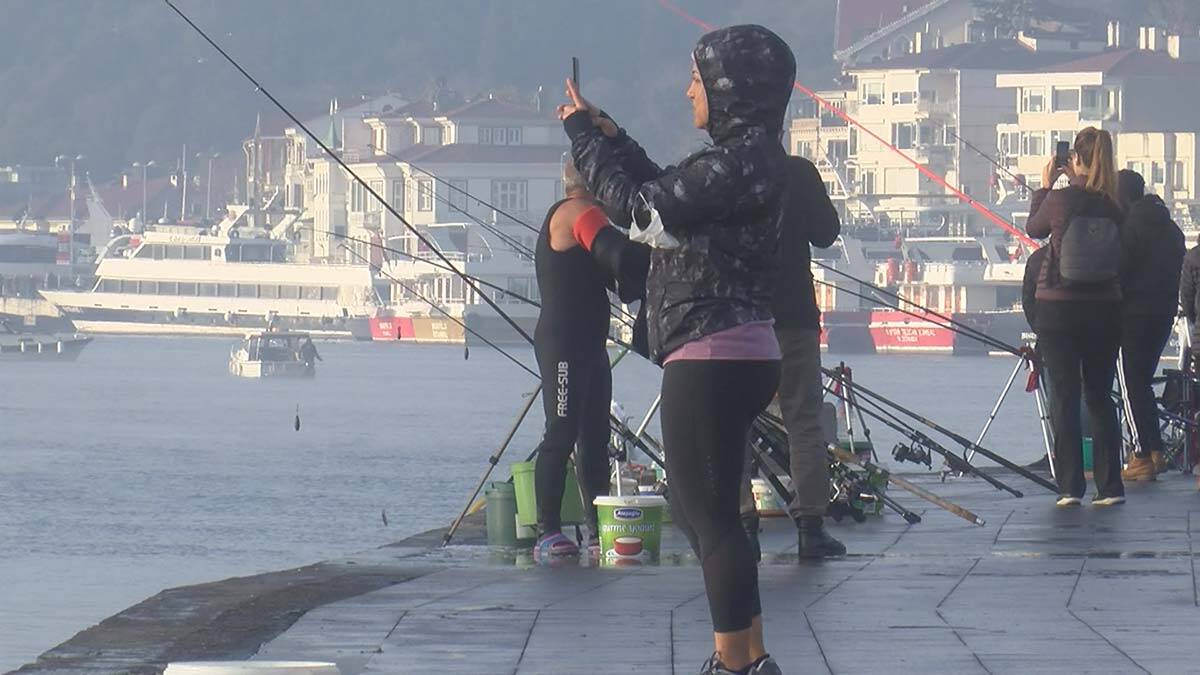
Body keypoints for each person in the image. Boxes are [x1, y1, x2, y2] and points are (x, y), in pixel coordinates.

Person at [561, 24, 795, 675]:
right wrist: (616, 139)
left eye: (697, 78)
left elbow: (642, 211)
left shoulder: (736, 162)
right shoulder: (749, 159)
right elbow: (674, 192)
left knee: (706, 517)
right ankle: (749, 653)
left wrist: (583, 141)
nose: (687, 89)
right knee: (715, 514)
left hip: (709, 353)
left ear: (728, 89)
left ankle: (734, 661)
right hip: (742, 348)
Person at [738, 155, 845, 561]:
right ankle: (810, 528)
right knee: (803, 422)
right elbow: (826, 232)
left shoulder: (724, 168)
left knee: (736, 423)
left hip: (740, 316)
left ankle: (743, 525)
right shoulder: (797, 172)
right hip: (794, 314)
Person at [1025, 127, 1126, 507]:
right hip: (1105, 309)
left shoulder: (1060, 199)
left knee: (1064, 397)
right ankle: (1110, 487)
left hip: (1059, 309)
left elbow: (1033, 228)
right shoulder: (1115, 205)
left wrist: (1046, 185)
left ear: (1075, 160)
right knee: (1100, 396)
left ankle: (1069, 487)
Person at [527, 157, 614, 562]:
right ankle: (547, 529)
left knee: (596, 437)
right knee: (560, 431)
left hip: (592, 343)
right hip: (562, 344)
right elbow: (616, 255)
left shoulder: (591, 216)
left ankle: (596, 530)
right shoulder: (575, 213)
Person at [1116, 170, 1184, 481]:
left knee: (1133, 384)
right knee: (1142, 382)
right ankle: (1155, 451)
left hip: (1132, 314)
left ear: (1123, 197)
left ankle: (1143, 456)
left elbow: (1121, 272)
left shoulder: (1129, 229)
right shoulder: (1172, 230)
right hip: (1163, 314)